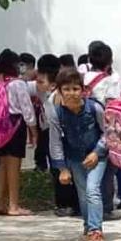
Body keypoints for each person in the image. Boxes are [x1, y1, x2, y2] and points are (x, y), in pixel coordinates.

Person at [47, 68, 111, 241]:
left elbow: (108, 133)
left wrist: (97, 152)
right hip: (74, 158)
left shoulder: (95, 108)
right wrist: (62, 169)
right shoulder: (56, 113)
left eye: (75, 89)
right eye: (66, 89)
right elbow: (55, 142)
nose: (71, 94)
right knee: (83, 194)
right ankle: (88, 225)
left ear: (83, 90)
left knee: (92, 190)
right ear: (59, 91)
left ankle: (96, 231)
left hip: (97, 156)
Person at [0, 49, 38, 216]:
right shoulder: (17, 84)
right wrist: (33, 130)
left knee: (2, 164)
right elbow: (27, 109)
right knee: (14, 166)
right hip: (15, 124)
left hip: (0, 125)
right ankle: (13, 205)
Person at [83, 40, 121, 214]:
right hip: (104, 126)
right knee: (108, 167)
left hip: (86, 124)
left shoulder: (83, 78)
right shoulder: (112, 80)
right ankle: (106, 207)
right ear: (110, 61)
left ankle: (88, 206)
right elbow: (113, 106)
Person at [35, 54, 79, 218]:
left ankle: (66, 204)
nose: (37, 85)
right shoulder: (49, 94)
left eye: (41, 82)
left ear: (52, 84)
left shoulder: (57, 97)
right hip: (49, 133)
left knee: (60, 169)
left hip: (56, 135)